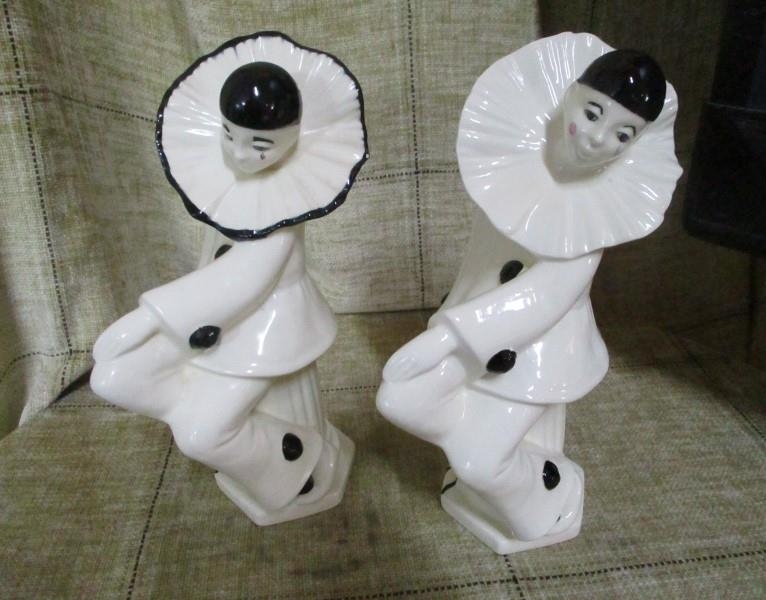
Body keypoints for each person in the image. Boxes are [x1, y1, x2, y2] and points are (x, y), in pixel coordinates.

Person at [377, 34, 682, 553]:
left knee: (479, 460)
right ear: (568, 97)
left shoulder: (595, 215)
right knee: (399, 400)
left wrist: (445, 338)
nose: (596, 139)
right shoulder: (512, 164)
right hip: (475, 322)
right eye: (592, 113)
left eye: (621, 134)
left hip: (539, 347)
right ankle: (495, 466)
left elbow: (545, 297)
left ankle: (545, 495)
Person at [91, 33, 367, 525]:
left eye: (260, 145)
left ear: (294, 136)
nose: (240, 154)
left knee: (201, 434)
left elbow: (247, 277)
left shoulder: (285, 201)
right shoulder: (228, 184)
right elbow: (219, 270)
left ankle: (295, 460)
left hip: (265, 328)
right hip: (213, 317)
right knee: (115, 377)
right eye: (229, 135)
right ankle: (224, 426)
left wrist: (149, 318)